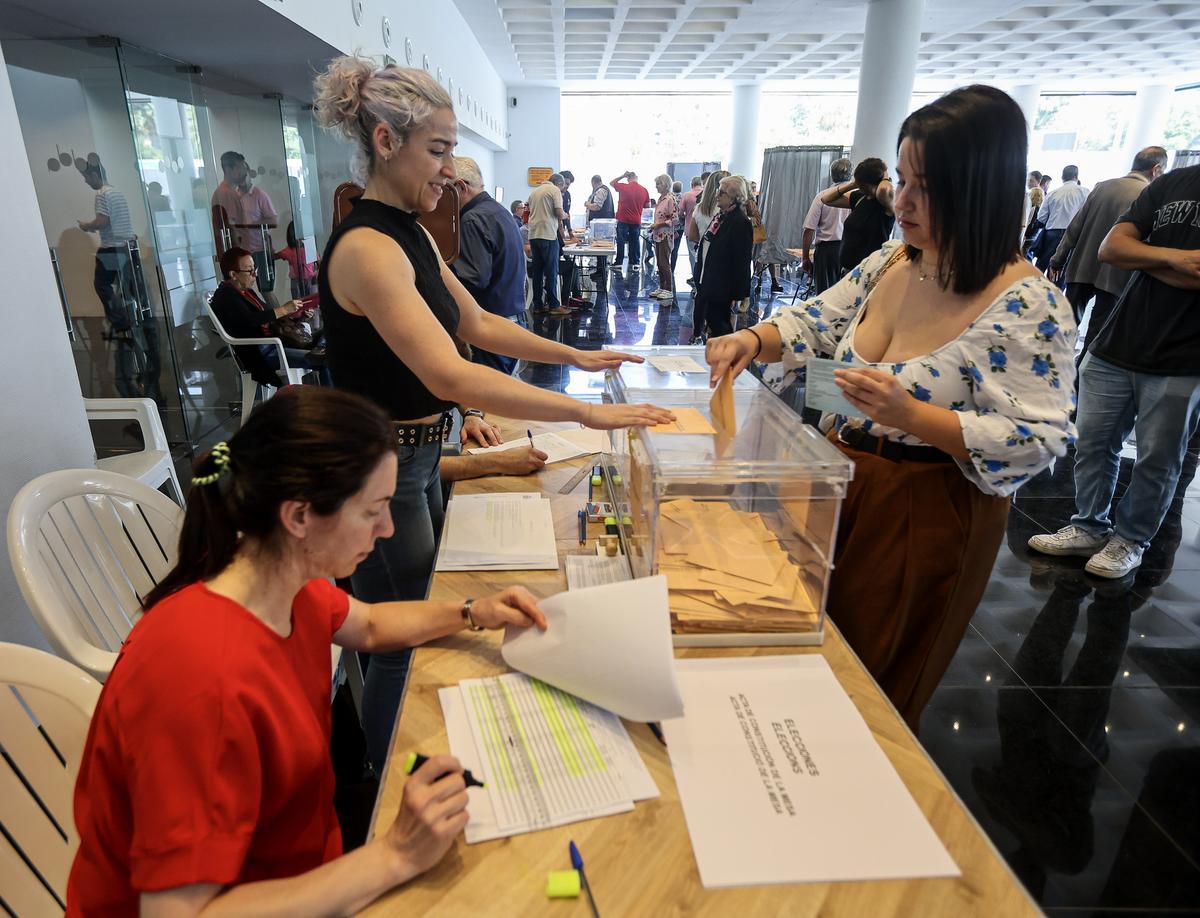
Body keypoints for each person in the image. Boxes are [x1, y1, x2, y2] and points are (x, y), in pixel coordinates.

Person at [312, 56, 672, 772]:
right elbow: (449, 371)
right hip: (374, 475)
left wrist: (579, 358)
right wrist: (583, 415)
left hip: (414, 459)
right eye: (438, 150)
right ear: (387, 142)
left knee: (426, 611)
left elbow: (475, 321)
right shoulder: (367, 247)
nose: (450, 169)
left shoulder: (408, 232)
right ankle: (385, 790)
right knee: (400, 638)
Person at [66, 386, 549, 914]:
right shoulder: (202, 681)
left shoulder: (276, 573)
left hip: (305, 871)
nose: (387, 529)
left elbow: (368, 625)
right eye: (373, 511)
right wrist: (395, 855)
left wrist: (474, 612)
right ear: (299, 516)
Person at [705, 85, 1076, 728]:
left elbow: (1037, 437)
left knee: (872, 681)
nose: (901, 202)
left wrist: (912, 416)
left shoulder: (1029, 303)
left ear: (982, 188)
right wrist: (751, 339)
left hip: (923, 508)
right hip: (833, 477)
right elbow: (823, 317)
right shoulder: (899, 256)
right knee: (806, 649)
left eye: (924, 188)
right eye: (900, 180)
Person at [1029, 163, 1200, 579]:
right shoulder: (1174, 182)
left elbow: (1135, 253)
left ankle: (1131, 540)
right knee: (1092, 443)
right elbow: (1112, 249)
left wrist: (1145, 258)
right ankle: (1088, 526)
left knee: (1158, 459)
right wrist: (1176, 259)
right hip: (1117, 342)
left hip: (1185, 355)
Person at [1048, 147, 1167, 335]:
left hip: (1081, 268)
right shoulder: (1151, 197)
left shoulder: (1102, 187)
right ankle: (1081, 364)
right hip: (1117, 276)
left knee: (1064, 327)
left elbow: (1074, 228)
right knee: (1098, 332)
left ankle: (1055, 363)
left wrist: (1057, 260)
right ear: (1156, 169)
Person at [77, 160, 165, 406]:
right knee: (131, 289)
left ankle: (119, 318)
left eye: (86, 176)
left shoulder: (102, 194)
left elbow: (103, 222)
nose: (86, 181)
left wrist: (87, 226)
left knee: (101, 284)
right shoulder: (118, 192)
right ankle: (131, 316)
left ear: (95, 174)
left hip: (112, 248)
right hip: (128, 246)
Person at [210, 247, 330, 386]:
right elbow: (250, 321)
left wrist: (299, 315)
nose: (254, 275)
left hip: (277, 341)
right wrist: (284, 309)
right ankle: (332, 401)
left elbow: (269, 319)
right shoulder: (226, 296)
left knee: (330, 329)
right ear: (233, 274)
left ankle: (319, 349)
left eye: (254, 269)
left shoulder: (246, 292)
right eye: (250, 271)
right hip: (264, 352)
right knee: (324, 360)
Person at [450, 156, 527, 374]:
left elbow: (474, 278)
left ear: (460, 187)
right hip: (512, 318)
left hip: (492, 324)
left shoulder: (471, 219)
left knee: (486, 403)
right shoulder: (498, 210)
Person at [694, 175, 754, 340]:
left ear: (734, 198)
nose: (716, 195)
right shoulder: (722, 216)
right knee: (711, 320)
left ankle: (726, 358)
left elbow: (742, 260)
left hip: (721, 284)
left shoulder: (740, 222)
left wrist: (740, 293)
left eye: (722, 193)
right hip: (708, 279)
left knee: (719, 325)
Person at [212, 150, 278, 297]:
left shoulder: (254, 194)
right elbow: (232, 229)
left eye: (244, 169)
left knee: (262, 291)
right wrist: (236, 258)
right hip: (241, 254)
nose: (243, 173)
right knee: (247, 293)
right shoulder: (228, 194)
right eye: (240, 168)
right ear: (229, 170)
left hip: (254, 251)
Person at [820, 156, 896, 276]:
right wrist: (852, 184)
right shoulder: (860, 197)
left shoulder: (886, 202)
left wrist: (884, 175)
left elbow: (883, 189)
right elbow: (826, 199)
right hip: (848, 271)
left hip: (869, 273)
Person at [802, 157, 853, 294]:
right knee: (847, 295)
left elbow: (809, 229)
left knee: (824, 295)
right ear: (851, 174)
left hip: (827, 252)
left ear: (831, 174)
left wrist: (805, 257)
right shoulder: (857, 196)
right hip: (850, 249)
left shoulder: (822, 196)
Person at [526, 172, 569, 313]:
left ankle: (538, 305)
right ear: (559, 184)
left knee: (538, 271)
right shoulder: (554, 190)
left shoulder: (534, 192)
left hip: (534, 235)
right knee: (551, 270)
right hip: (548, 235)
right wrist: (565, 215)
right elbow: (558, 212)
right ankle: (554, 305)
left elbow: (528, 212)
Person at [1035, 164, 1089, 273]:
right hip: (1073, 235)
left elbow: (1041, 218)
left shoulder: (1052, 193)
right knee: (1061, 271)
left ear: (1062, 177)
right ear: (1076, 176)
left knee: (1040, 267)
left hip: (1051, 234)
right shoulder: (1085, 192)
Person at [611, 170, 650, 273]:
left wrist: (622, 175)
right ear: (637, 177)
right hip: (636, 219)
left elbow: (612, 183)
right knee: (635, 241)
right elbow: (648, 205)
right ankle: (635, 263)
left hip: (623, 218)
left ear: (628, 178)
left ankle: (619, 263)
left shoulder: (623, 187)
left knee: (621, 241)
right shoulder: (644, 190)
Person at [648, 173, 679, 301]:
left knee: (665, 262)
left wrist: (659, 224)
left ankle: (669, 289)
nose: (656, 187)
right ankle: (662, 286)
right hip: (658, 234)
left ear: (665, 184)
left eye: (658, 184)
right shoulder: (661, 199)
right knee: (660, 263)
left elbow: (675, 219)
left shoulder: (670, 199)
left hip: (665, 234)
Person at [275, 221, 318, 299]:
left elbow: (275, 256)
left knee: (300, 305)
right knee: (311, 304)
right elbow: (318, 262)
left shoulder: (289, 250)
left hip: (303, 281)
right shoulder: (308, 248)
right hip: (309, 280)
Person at [680, 175, 703, 283]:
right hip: (704, 228)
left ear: (692, 184)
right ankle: (702, 276)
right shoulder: (705, 194)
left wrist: (686, 216)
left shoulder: (687, 195)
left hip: (690, 228)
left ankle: (695, 276)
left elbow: (680, 212)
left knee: (692, 254)